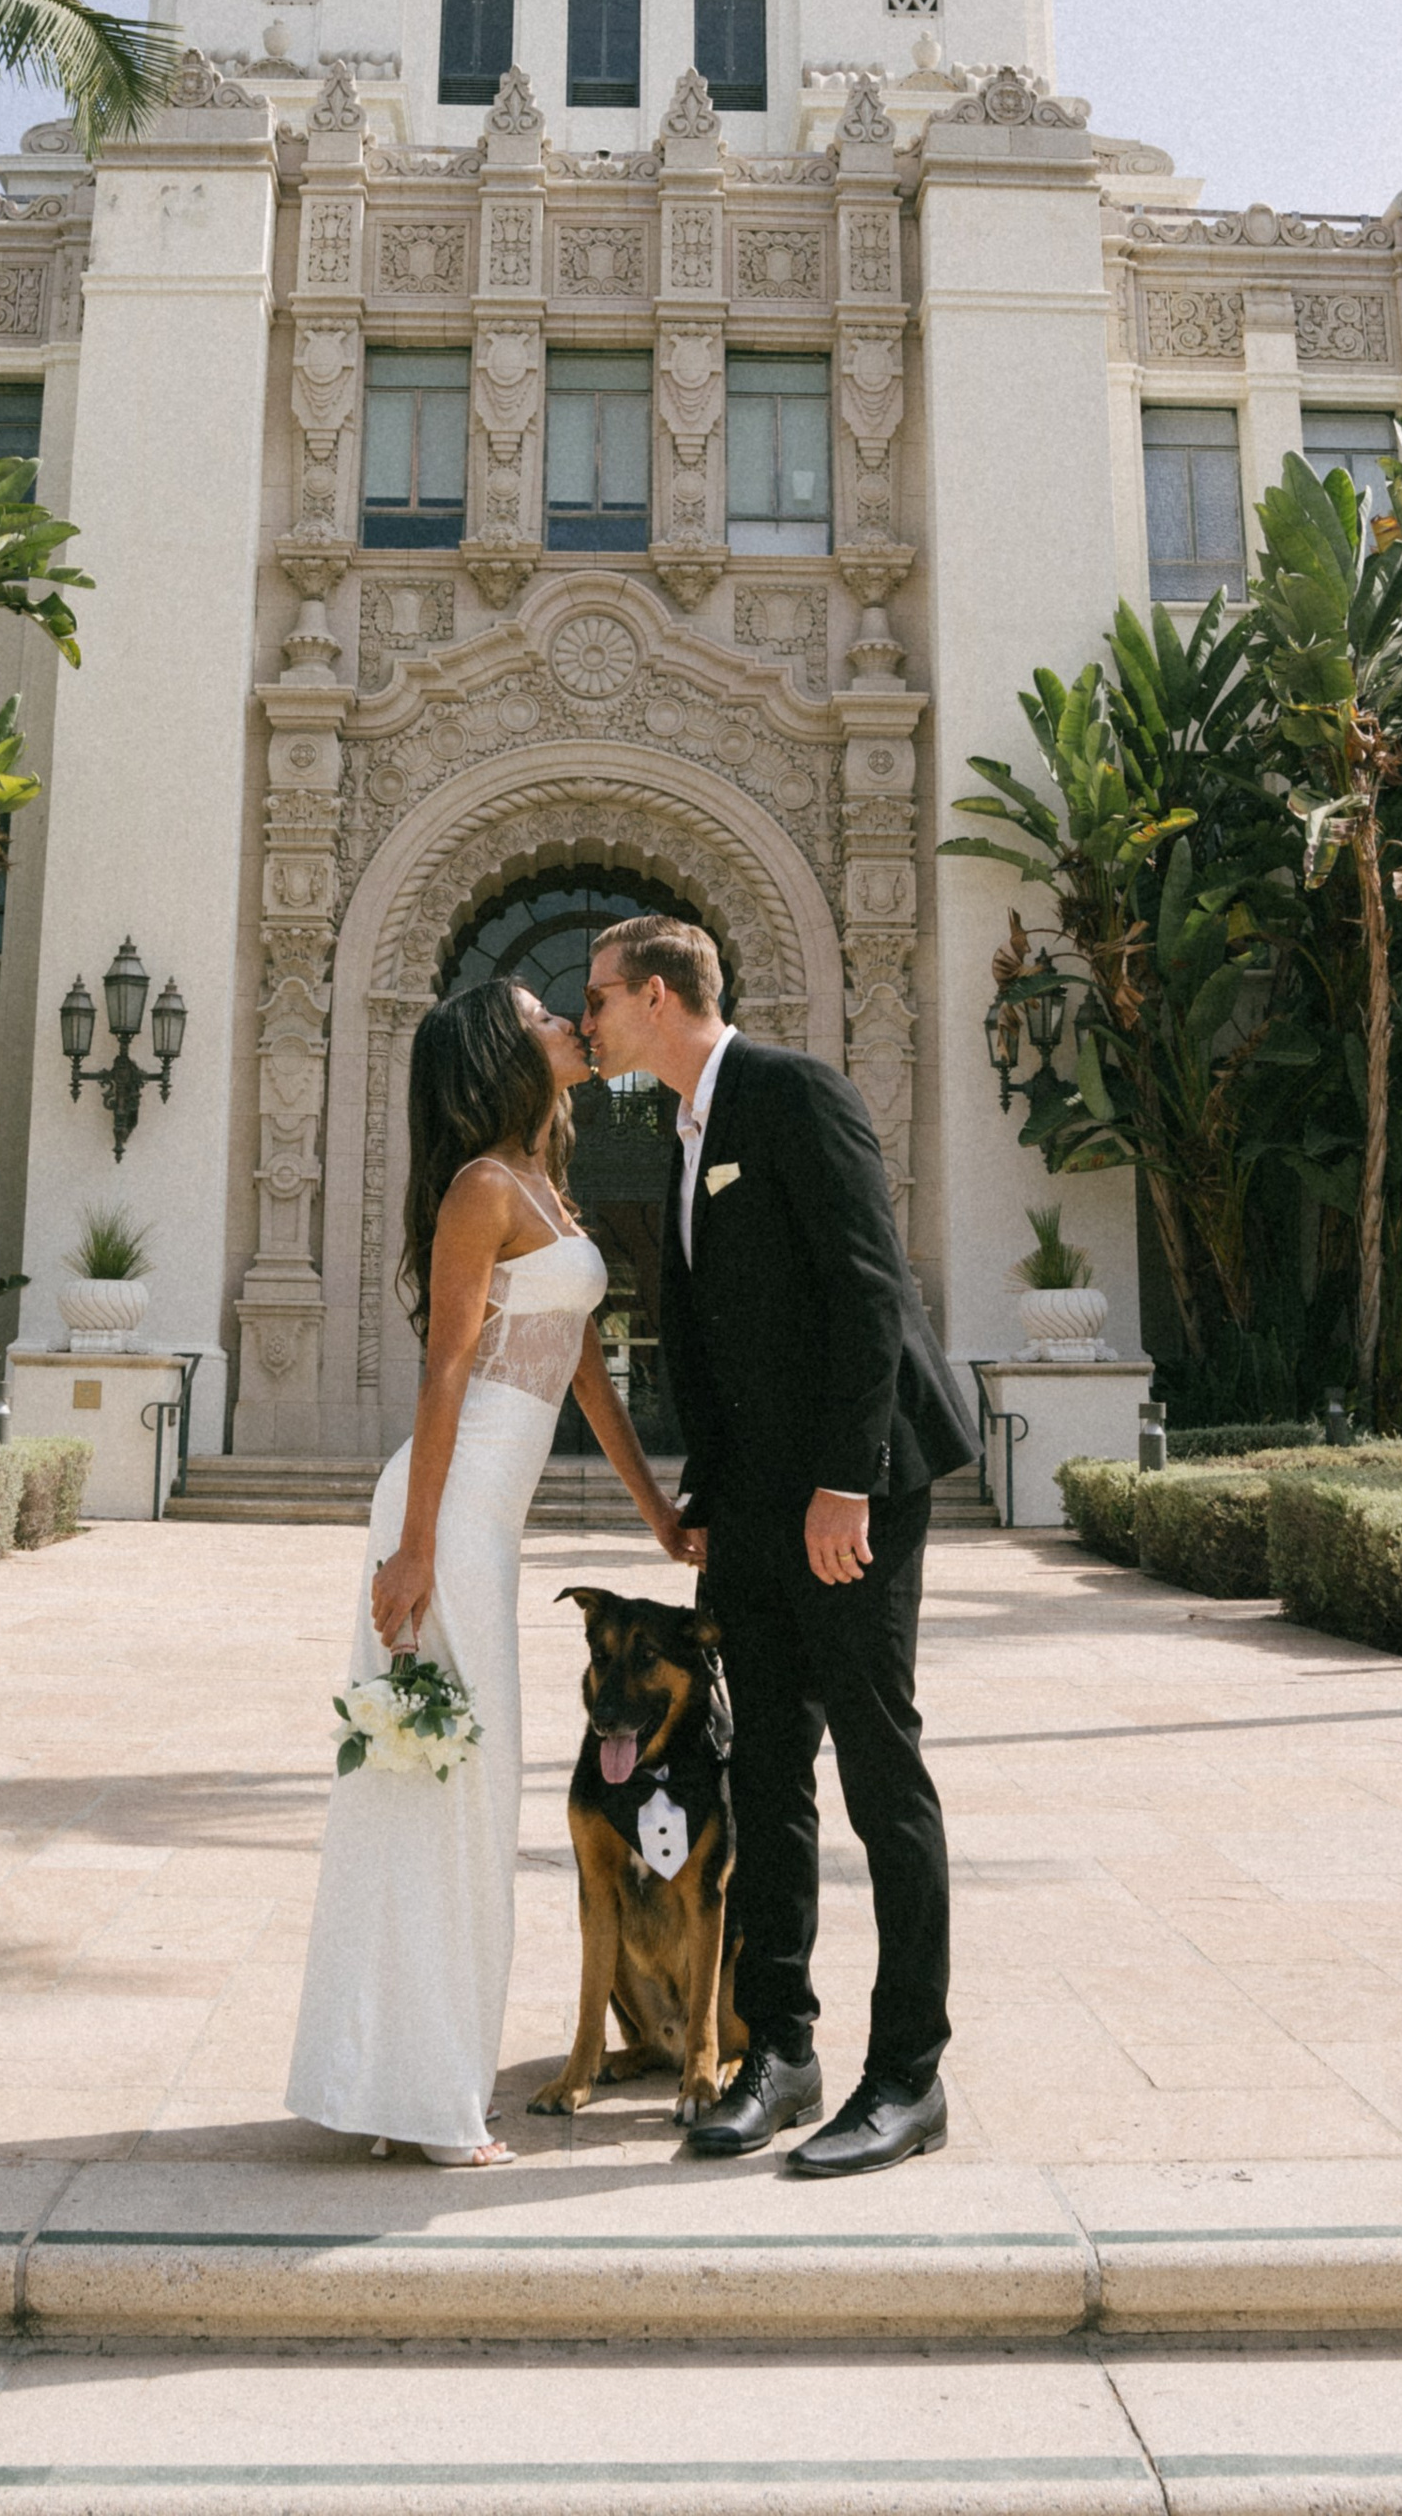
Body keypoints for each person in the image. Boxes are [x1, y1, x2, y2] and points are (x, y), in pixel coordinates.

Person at [580, 914, 975, 2178]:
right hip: (753, 1507)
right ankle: (783, 2052)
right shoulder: (669, 1130)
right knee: (764, 1781)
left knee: (877, 1771)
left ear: (653, 996)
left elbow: (871, 1292)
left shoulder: (797, 1095)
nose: (583, 1019)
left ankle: (908, 2075)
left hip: (850, 1495)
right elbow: (708, 1328)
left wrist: (843, 1484)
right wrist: (708, 1490)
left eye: (595, 998)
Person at [286, 978, 701, 2164]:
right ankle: (420, 2097)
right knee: (442, 1795)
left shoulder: (544, 1188)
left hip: (481, 1524)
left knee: (459, 1792)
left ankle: (403, 2082)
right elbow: (444, 1377)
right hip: (447, 1512)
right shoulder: (479, 1188)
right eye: (536, 1015)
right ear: (495, 1052)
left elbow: (583, 1372)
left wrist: (655, 1513)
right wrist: (414, 1547)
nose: (567, 1020)